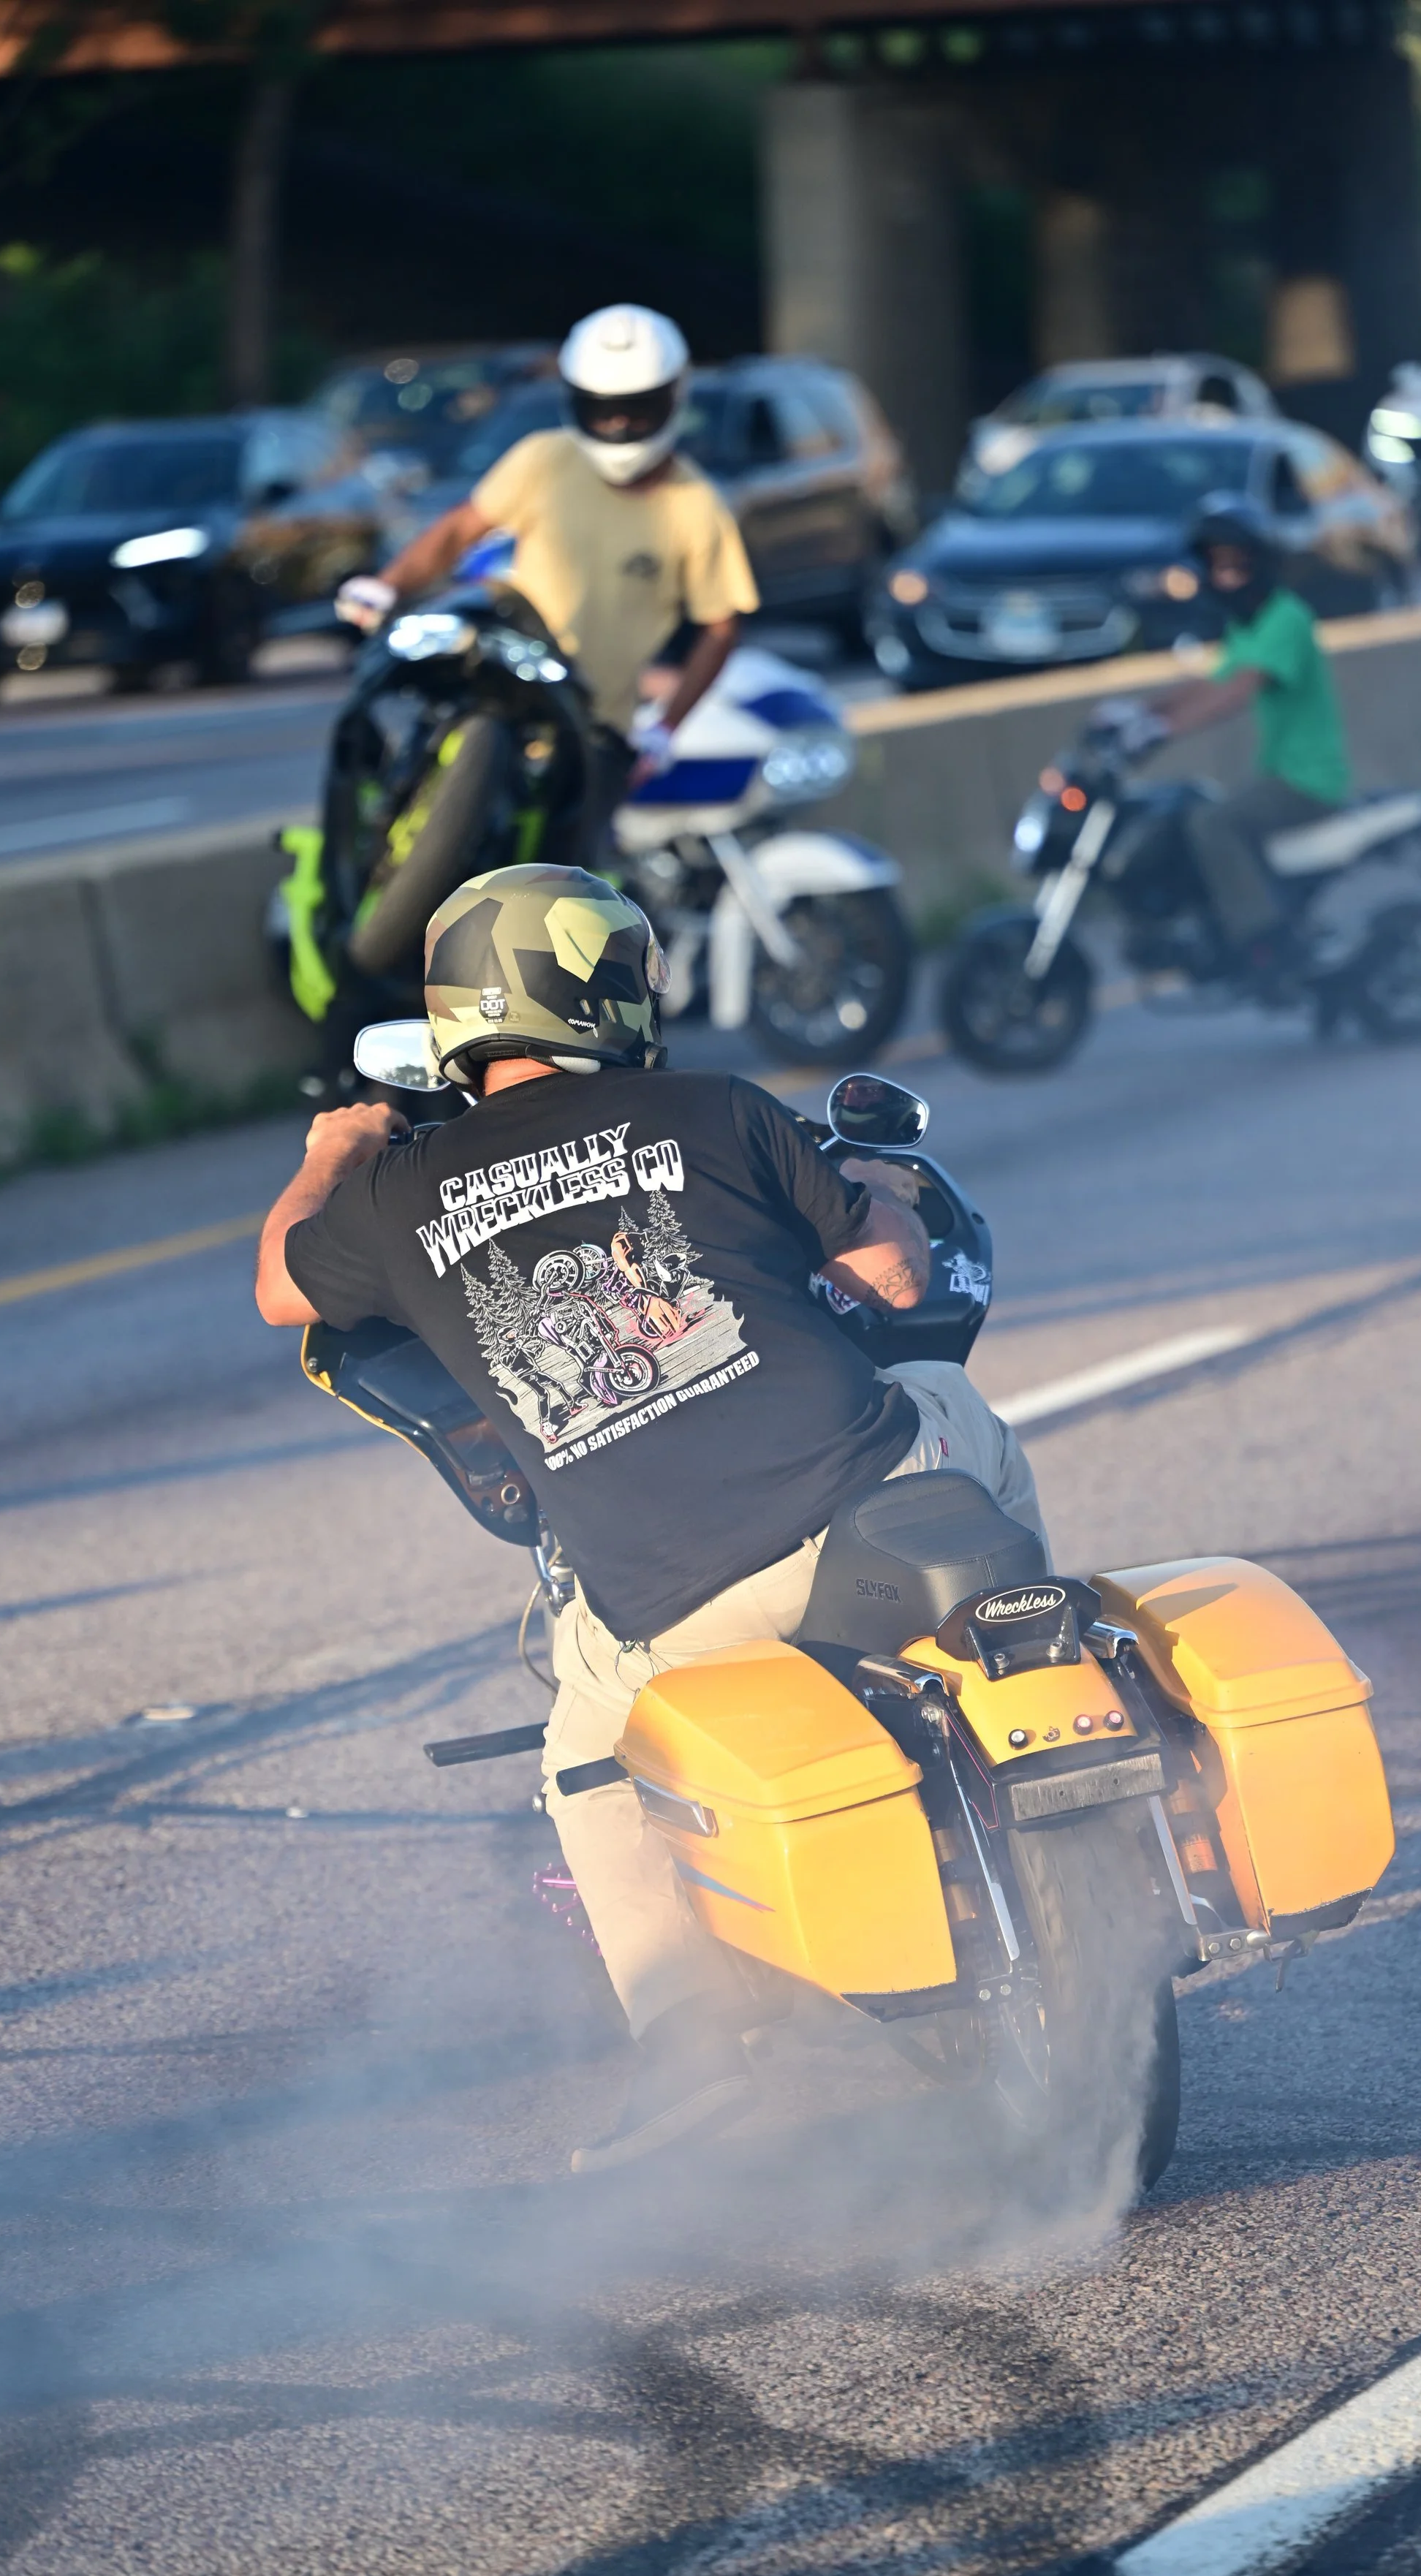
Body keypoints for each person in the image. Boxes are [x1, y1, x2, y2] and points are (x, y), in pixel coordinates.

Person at [256, 863, 1045, 2177]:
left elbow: (283, 1291)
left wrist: (332, 1154)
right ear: (591, 997)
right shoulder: (713, 1110)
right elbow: (896, 1279)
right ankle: (1022, 1658)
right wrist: (881, 1192)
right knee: (941, 1388)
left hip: (675, 1605)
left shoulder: (400, 1199)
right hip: (870, 1514)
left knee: (585, 1751)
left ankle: (689, 2053)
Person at [336, 304, 759, 847]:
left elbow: (721, 628)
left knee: (568, 876)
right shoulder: (546, 461)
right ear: (576, 402)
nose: (619, 426)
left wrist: (663, 729)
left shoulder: (696, 506)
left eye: (638, 410)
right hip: (505, 676)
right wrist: (388, 583)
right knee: (412, 740)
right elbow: (460, 530)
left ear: (673, 398)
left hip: (597, 725)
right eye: (603, 410)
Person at [1112, 490, 1351, 977]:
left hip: (1309, 782)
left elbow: (1239, 690)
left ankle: (1262, 940)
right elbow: (1212, 681)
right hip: (1279, 774)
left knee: (1211, 824)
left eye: (1236, 565)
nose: (1226, 577)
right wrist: (1136, 711)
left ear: (1259, 564)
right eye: (1217, 567)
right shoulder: (1250, 625)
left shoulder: (1287, 618)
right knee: (1187, 814)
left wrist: (1164, 729)